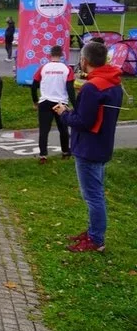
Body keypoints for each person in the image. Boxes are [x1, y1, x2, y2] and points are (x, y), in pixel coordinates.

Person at [54, 40, 122, 253]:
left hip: (88, 147)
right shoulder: (113, 82)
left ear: (84, 60)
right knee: (96, 192)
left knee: (93, 196)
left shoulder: (92, 87)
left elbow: (83, 121)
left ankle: (96, 239)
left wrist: (64, 113)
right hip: (102, 144)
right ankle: (94, 231)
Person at [31, 45, 76, 164]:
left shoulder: (43, 68)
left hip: (45, 102)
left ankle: (43, 156)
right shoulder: (67, 69)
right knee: (63, 129)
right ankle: (65, 152)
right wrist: (75, 105)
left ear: (49, 55)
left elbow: (34, 85)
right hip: (61, 103)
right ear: (62, 55)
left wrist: (35, 101)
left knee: (44, 130)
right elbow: (70, 89)